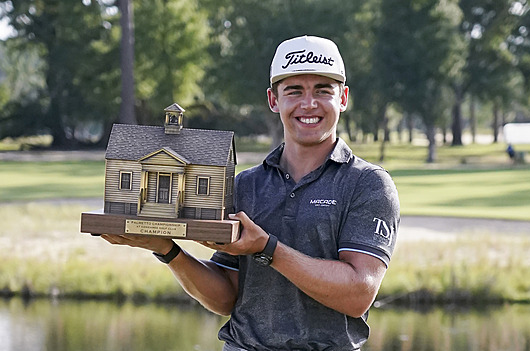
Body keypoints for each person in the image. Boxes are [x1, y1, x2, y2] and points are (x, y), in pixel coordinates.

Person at [102, 35, 400, 350]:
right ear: (273, 100)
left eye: (323, 90)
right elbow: (227, 296)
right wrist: (166, 249)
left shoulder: (368, 184)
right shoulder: (246, 185)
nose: (308, 104)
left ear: (343, 98)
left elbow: (358, 294)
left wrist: (267, 249)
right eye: (294, 91)